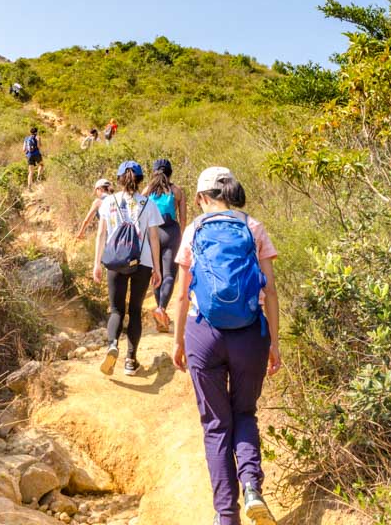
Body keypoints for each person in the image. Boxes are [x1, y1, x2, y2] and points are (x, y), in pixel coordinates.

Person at [172, 167, 282, 525]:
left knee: (216, 425)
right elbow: (271, 291)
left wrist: (178, 342)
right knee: (245, 414)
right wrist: (274, 344)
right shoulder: (254, 227)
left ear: (203, 197)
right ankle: (251, 486)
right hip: (250, 333)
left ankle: (225, 517)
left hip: (203, 334)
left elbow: (182, 294)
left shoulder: (194, 230)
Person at [94, 161, 162, 376]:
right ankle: (131, 361)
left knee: (116, 310)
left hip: (115, 260)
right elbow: (154, 238)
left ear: (119, 179)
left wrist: (97, 263)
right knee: (134, 311)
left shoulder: (108, 202)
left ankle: (113, 345)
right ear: (140, 179)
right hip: (142, 263)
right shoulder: (148, 204)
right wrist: (158, 269)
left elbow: (101, 235)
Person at [143, 158, 187, 333]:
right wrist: (182, 238)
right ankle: (161, 309)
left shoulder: (147, 191)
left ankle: (160, 317)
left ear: (154, 172)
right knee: (169, 275)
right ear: (170, 173)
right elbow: (182, 218)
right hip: (171, 233)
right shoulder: (177, 191)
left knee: (156, 273)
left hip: (152, 233)